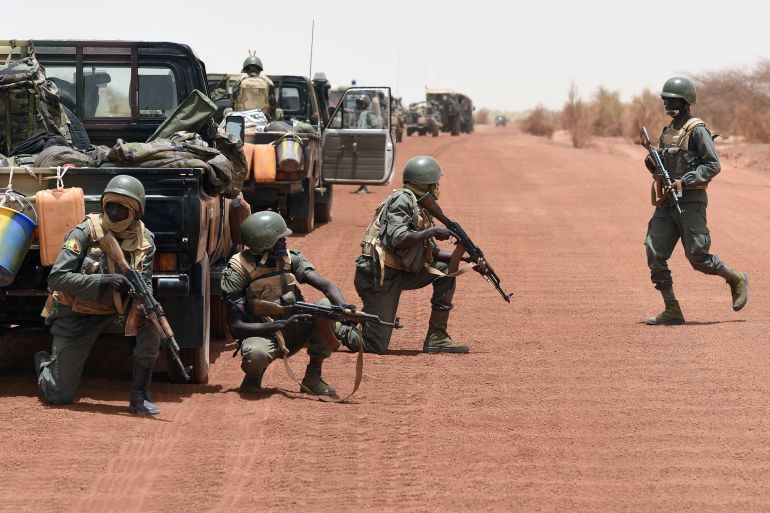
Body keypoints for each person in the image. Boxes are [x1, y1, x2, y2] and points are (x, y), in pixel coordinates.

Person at [34, 175, 162, 415]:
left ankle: (140, 396)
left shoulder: (145, 241)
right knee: (60, 395)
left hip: (116, 311)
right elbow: (57, 278)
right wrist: (103, 280)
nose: (113, 212)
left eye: (122, 208)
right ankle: (44, 364)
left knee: (151, 319)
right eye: (110, 205)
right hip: (77, 313)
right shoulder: (84, 233)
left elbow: (145, 283)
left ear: (136, 212)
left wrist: (144, 305)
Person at [349, 156, 483, 354]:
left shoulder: (419, 206)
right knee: (374, 346)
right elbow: (397, 238)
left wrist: (465, 258)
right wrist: (432, 231)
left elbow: (430, 252)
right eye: (435, 183)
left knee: (445, 269)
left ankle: (437, 337)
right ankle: (334, 326)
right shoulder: (402, 200)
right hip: (378, 276)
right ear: (425, 184)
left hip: (398, 272)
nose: (437, 187)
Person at [221, 211, 362, 396]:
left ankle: (313, 378)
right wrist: (282, 324)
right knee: (255, 355)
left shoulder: (289, 258)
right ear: (265, 244)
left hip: (296, 329)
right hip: (263, 333)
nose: (285, 241)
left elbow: (326, 286)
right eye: (280, 239)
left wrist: (342, 308)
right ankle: (253, 378)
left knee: (326, 307)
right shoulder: (237, 271)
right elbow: (236, 327)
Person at [644, 76, 748, 325]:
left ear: (685, 101)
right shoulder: (667, 132)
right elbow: (664, 165)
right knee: (654, 251)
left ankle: (735, 278)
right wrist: (653, 164)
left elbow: (713, 165)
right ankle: (671, 309)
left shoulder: (697, 130)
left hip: (690, 203)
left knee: (698, 258)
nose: (667, 104)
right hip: (667, 202)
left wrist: (685, 180)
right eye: (665, 100)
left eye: (672, 100)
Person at [232, 51, 277, 120]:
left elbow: (233, 101)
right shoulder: (268, 81)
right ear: (260, 68)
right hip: (263, 117)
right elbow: (273, 102)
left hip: (242, 117)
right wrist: (272, 117)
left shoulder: (239, 81)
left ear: (245, 69)